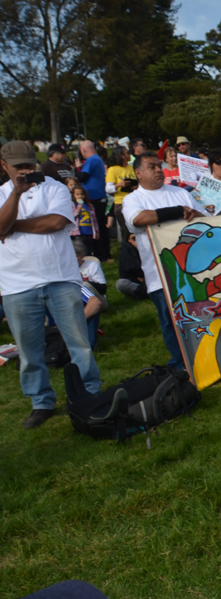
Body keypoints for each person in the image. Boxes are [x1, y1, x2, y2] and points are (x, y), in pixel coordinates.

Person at [0, 141, 101, 429]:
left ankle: (89, 393)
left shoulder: (54, 187)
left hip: (60, 278)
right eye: (18, 166)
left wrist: (12, 225)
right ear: (4, 166)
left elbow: (56, 222)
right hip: (17, 284)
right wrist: (16, 194)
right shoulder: (2, 193)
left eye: (29, 164)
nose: (25, 170)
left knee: (79, 344)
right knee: (29, 350)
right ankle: (41, 401)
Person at [123, 152, 216, 369]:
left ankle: (208, 358)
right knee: (170, 321)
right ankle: (181, 365)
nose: (158, 170)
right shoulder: (133, 199)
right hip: (159, 273)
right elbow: (138, 219)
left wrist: (193, 213)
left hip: (194, 271)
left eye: (159, 166)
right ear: (138, 173)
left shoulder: (181, 193)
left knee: (201, 314)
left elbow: (207, 219)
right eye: (152, 167)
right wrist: (177, 212)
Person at [74, 140, 110, 261]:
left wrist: (78, 167)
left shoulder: (91, 160)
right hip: (100, 195)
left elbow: (81, 177)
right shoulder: (98, 159)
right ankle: (106, 252)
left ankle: (101, 253)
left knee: (96, 227)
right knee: (101, 226)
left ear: (83, 150)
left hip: (93, 197)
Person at [115, 231, 147, 300]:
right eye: (134, 238)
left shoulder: (149, 248)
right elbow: (126, 273)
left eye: (139, 238)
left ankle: (144, 292)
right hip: (135, 281)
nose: (137, 241)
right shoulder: (125, 251)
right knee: (121, 284)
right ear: (129, 240)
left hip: (150, 279)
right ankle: (146, 292)